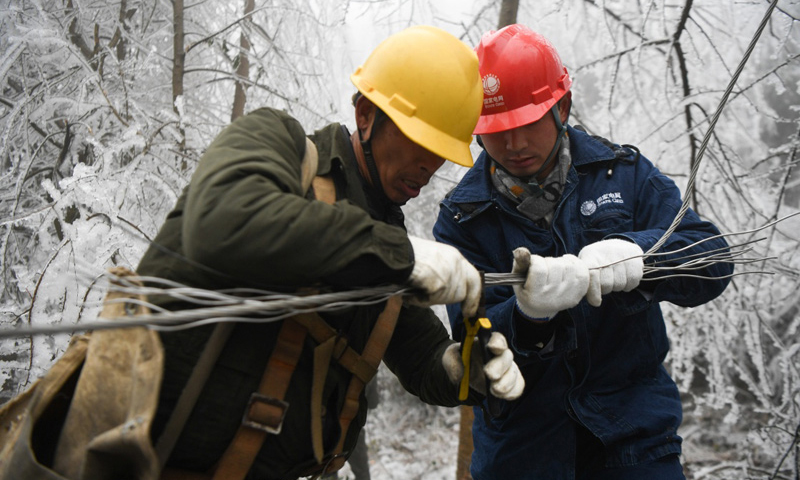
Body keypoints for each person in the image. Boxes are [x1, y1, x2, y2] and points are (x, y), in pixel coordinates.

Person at [134, 25, 525, 480]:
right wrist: (398, 255)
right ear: (365, 116)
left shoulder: (387, 239)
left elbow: (421, 358)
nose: (429, 166)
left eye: (440, 154)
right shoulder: (276, 143)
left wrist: (461, 369)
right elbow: (223, 221)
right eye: (420, 142)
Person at [433, 24, 734, 480]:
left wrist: (638, 255)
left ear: (563, 107)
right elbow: (476, 351)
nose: (513, 145)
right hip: (523, 458)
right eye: (497, 131)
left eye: (527, 123)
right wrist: (529, 317)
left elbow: (712, 259)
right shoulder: (462, 219)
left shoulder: (624, 177)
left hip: (635, 445)